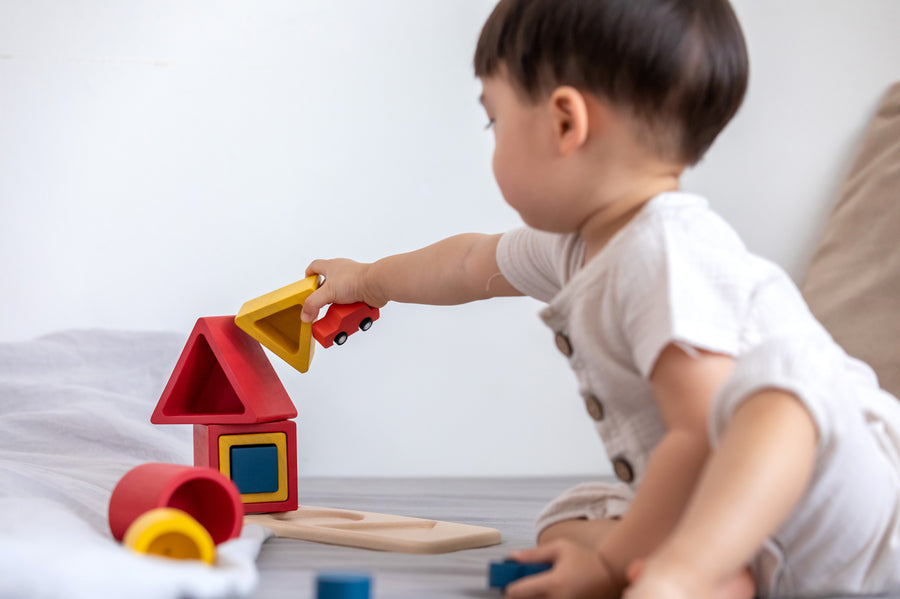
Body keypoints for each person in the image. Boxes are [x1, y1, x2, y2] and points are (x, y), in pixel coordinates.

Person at [299, 1, 900, 598]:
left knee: (780, 395)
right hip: (762, 530)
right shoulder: (577, 245)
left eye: (494, 120)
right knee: (568, 522)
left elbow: (699, 437)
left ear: (565, 123)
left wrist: (615, 565)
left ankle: (684, 573)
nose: (492, 140)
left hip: (851, 514)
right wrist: (369, 280)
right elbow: (468, 264)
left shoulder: (662, 251)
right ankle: (729, 575)